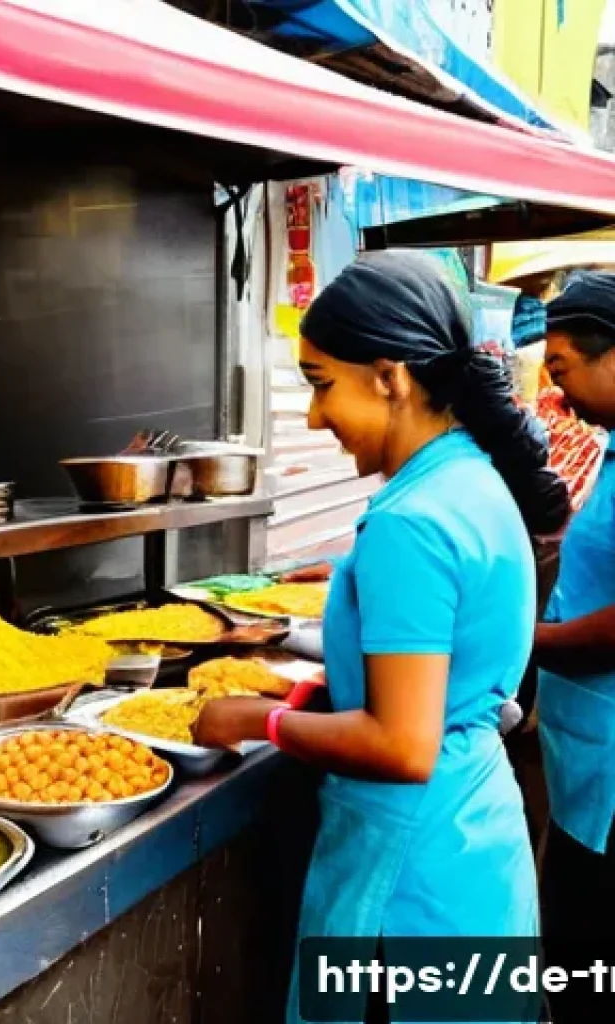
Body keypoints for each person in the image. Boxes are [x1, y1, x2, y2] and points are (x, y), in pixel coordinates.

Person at [192, 251, 569, 1024]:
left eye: (322, 384)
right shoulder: (471, 479)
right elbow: (443, 675)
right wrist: (315, 691)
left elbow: (403, 744)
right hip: (470, 845)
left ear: (390, 376)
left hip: (410, 880)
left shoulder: (410, 521)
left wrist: (256, 720)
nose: (313, 417)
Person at [533, 272, 615, 1020]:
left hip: (611, 794)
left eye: (562, 370)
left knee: (590, 971)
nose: (556, 393)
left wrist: (523, 642)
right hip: (583, 769)